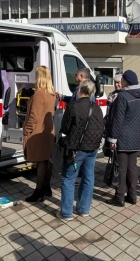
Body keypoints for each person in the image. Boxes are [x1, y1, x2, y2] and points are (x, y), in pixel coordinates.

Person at [58, 80, 105, 221]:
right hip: (92, 148)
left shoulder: (73, 107)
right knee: (89, 178)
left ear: (80, 90)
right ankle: (84, 209)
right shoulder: (96, 108)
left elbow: (65, 128)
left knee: (68, 178)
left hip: (77, 149)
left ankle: (66, 213)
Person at [105, 70, 140, 207]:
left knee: (121, 168)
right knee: (132, 167)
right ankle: (133, 195)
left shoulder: (123, 97)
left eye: (122, 80)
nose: (120, 82)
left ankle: (119, 197)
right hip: (136, 137)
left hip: (122, 137)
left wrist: (112, 139)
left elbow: (117, 119)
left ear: (126, 82)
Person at [23, 66, 56, 202]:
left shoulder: (39, 94)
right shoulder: (51, 93)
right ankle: (46, 188)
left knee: (41, 163)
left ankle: (39, 191)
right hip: (48, 131)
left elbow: (34, 117)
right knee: (46, 161)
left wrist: (27, 130)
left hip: (38, 132)